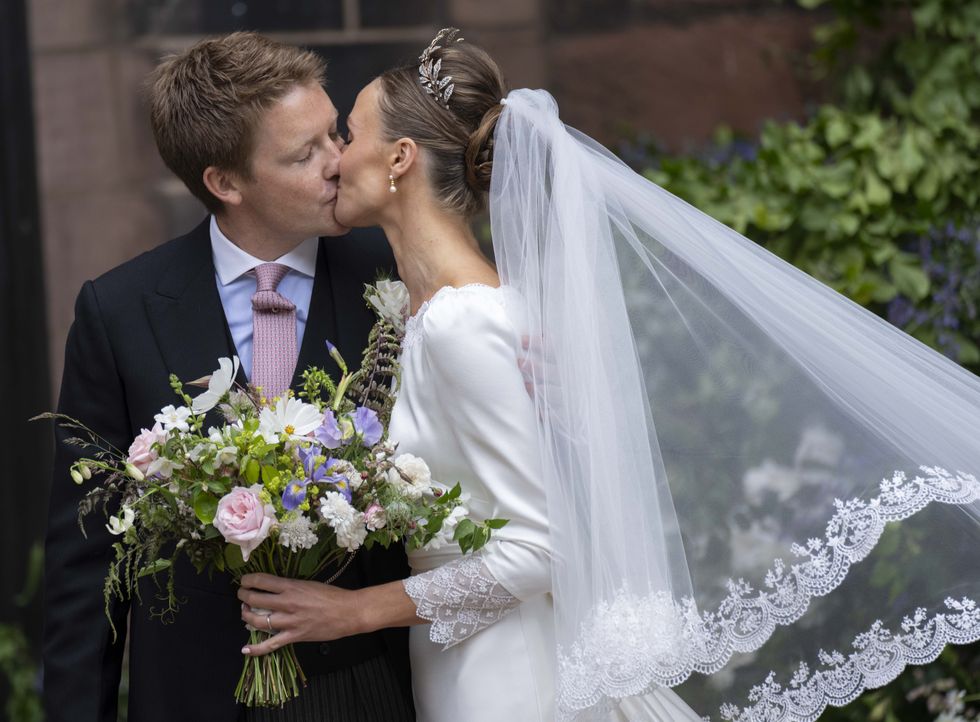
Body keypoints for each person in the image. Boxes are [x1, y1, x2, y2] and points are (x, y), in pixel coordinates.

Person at [239, 28, 980, 722]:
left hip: (508, 671)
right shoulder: (425, 316)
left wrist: (354, 611)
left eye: (351, 133)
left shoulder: (468, 322)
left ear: (399, 159)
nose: (336, 156)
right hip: (460, 657)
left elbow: (543, 546)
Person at [42, 32, 414, 722]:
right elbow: (85, 562)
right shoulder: (119, 311)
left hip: (371, 689)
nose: (340, 163)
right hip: (193, 695)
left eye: (334, 134)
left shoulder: (396, 275)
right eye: (305, 154)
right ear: (225, 182)